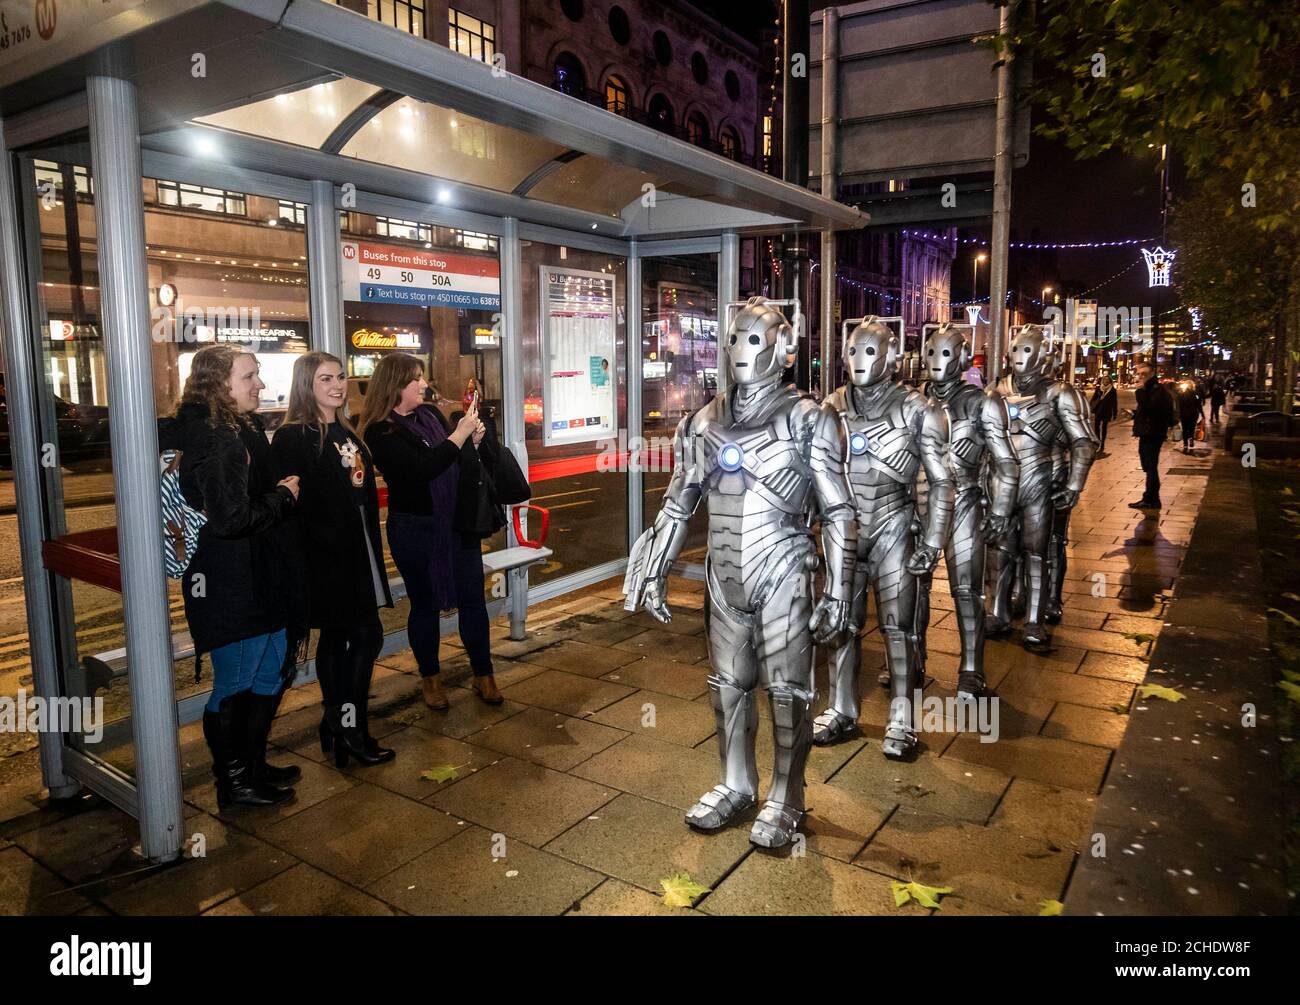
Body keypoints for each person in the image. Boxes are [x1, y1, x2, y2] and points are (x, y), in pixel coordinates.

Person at [158, 345, 306, 809]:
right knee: (236, 682)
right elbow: (229, 520)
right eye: (249, 377)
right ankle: (234, 780)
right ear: (219, 385)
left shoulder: (231, 427)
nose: (259, 385)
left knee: (272, 667)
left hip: (258, 573)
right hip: (232, 580)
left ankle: (252, 763)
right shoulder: (216, 438)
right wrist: (282, 497)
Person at [358, 354, 502, 711]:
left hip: (457, 523)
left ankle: (484, 674)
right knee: (424, 606)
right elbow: (421, 470)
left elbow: (457, 462)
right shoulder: (380, 431)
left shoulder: (432, 416)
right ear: (395, 386)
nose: (424, 384)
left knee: (473, 599)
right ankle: (431, 678)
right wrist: (458, 436)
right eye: (416, 379)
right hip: (415, 529)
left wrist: (473, 441)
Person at [273, 352, 395, 769]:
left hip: (357, 548)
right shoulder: (295, 436)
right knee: (362, 636)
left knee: (346, 638)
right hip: (327, 557)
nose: (337, 385)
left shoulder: (343, 429)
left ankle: (337, 725)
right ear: (306, 385)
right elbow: (291, 504)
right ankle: (350, 728)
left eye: (341, 376)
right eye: (325, 379)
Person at [1129, 362, 1175, 510]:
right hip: (1149, 432)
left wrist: (1139, 392)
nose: (1140, 376)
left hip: (1152, 434)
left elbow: (1151, 410)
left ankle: (1151, 499)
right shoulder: (1151, 390)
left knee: (1150, 466)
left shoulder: (1156, 390)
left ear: (1151, 374)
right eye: (1139, 373)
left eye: (1143, 374)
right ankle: (1151, 498)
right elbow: (1148, 410)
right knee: (1148, 465)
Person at [1089, 373, 1119, 456]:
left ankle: (1102, 445)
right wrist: (1092, 405)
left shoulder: (1112, 390)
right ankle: (1098, 442)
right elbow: (1093, 399)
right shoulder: (1099, 389)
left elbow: (1114, 402)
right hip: (1098, 411)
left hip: (1107, 411)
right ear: (1102, 381)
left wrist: (1114, 413)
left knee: (1104, 428)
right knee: (1096, 427)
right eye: (1104, 380)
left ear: (1110, 381)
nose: (1106, 381)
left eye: (1107, 380)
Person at [1178, 381, 1204, 453]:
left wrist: (1179, 414)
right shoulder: (1196, 394)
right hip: (1193, 414)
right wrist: (1202, 414)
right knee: (1191, 428)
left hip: (1184, 414)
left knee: (1185, 429)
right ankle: (1191, 439)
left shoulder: (1182, 394)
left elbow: (1180, 405)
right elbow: (1199, 404)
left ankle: (1185, 444)